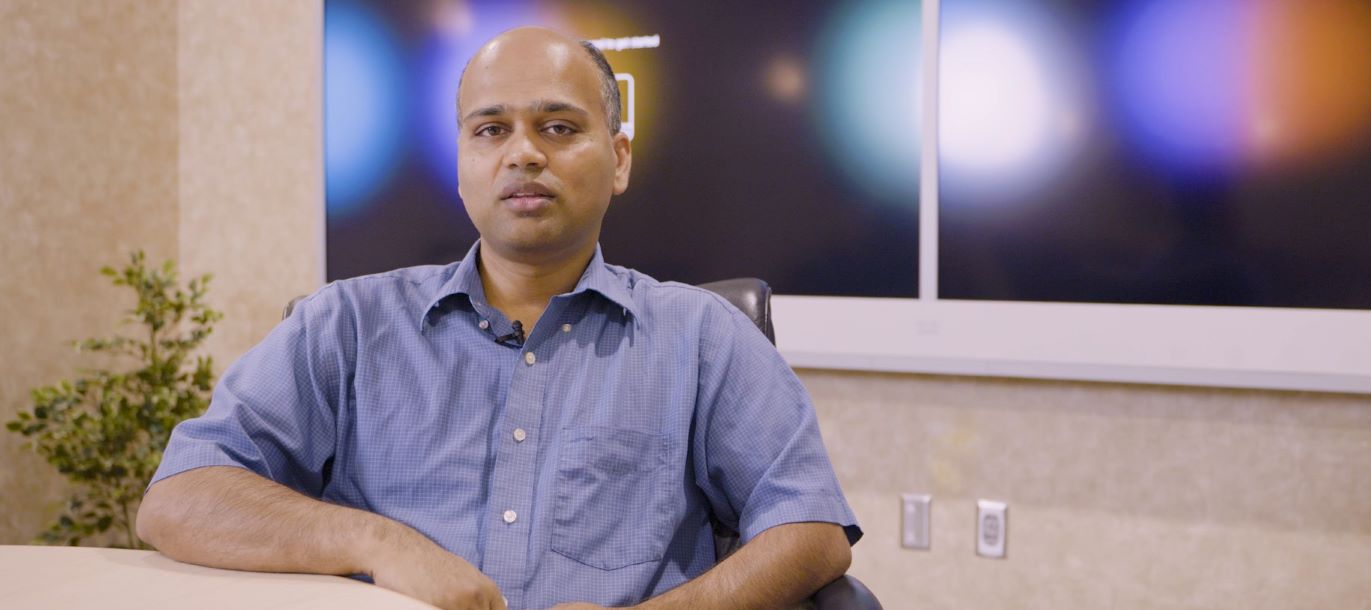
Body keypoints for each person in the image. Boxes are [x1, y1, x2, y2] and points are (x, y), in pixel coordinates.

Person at [136, 26, 860, 610]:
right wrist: (384, 545)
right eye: (490, 130)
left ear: (617, 159)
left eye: (557, 127)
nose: (522, 153)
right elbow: (180, 499)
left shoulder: (703, 337)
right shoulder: (345, 326)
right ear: (460, 164)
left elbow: (811, 531)